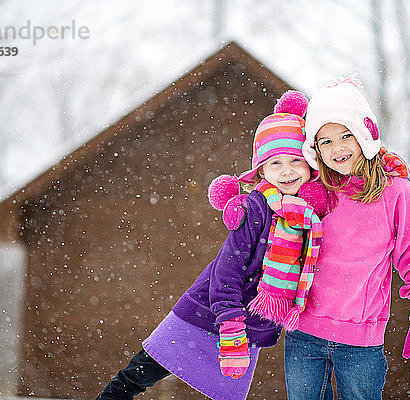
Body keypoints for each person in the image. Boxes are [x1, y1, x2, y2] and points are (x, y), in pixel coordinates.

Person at [95, 90, 326, 400]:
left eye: (296, 161)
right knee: (136, 377)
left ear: (310, 164)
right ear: (261, 173)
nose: (287, 171)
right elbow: (226, 273)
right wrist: (230, 323)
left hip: (250, 327)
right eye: (276, 164)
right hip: (207, 313)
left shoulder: (310, 220)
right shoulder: (256, 210)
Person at [281, 75, 410, 400]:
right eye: (325, 141)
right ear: (314, 149)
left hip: (360, 342)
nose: (337, 148)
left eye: (346, 135)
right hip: (303, 335)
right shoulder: (312, 189)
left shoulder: (393, 190)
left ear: (365, 134)